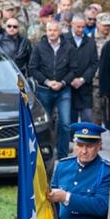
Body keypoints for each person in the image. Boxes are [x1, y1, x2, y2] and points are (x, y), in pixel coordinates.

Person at [29, 20, 74, 159]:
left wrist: (62, 82)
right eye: (49, 30)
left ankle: (62, 155)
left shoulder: (69, 47)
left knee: (65, 123)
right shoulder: (39, 47)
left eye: (55, 30)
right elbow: (33, 68)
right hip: (44, 90)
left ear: (60, 31)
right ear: (46, 31)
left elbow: (74, 69)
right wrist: (48, 82)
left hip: (63, 90)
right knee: (45, 123)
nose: (52, 33)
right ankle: (45, 153)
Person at [65, 15, 98, 123]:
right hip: (67, 88)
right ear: (72, 25)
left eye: (83, 27)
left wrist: (82, 79)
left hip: (85, 88)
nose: (80, 30)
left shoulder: (90, 42)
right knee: (69, 122)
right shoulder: (64, 40)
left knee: (87, 121)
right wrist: (70, 79)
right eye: (78, 27)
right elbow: (60, 63)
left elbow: (94, 64)